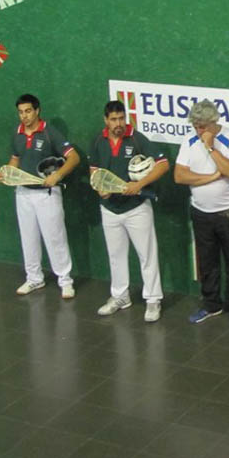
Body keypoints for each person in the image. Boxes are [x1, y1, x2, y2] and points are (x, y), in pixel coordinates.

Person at [174, 99, 229, 332]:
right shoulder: (188, 141)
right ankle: (211, 305)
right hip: (201, 213)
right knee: (207, 264)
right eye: (195, 125)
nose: (198, 130)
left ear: (213, 122)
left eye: (202, 126)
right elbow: (180, 176)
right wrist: (211, 178)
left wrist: (210, 147)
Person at [89, 100, 169, 322]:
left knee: (147, 255)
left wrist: (139, 184)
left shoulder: (136, 138)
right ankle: (120, 296)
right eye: (114, 119)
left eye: (121, 118)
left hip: (137, 209)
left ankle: (153, 300)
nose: (119, 123)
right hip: (109, 209)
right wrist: (99, 189)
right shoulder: (98, 141)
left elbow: (163, 164)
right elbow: (94, 172)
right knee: (115, 256)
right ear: (106, 120)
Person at [0, 94, 79, 299]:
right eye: (21, 112)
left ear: (37, 110)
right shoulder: (17, 133)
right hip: (23, 194)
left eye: (28, 111)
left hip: (47, 194)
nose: (24, 116)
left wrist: (58, 175)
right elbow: (14, 159)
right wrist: (6, 173)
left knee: (55, 237)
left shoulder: (50, 133)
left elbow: (74, 157)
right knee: (28, 238)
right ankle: (34, 278)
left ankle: (65, 281)